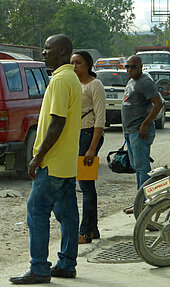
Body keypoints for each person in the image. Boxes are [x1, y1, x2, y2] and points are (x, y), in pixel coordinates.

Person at [9, 34, 82, 284]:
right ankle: (67, 264)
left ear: (61, 51)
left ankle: (39, 268)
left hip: (52, 163)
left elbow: (57, 122)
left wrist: (37, 157)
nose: (43, 52)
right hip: (66, 162)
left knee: (36, 211)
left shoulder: (61, 80)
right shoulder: (71, 78)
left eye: (47, 49)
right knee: (68, 214)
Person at [70, 51, 106, 244]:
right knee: (85, 185)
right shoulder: (75, 84)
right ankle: (92, 230)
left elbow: (100, 119)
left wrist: (92, 148)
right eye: (72, 63)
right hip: (76, 136)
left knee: (85, 186)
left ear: (88, 65)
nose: (75, 67)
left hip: (89, 136)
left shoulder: (95, 85)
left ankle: (85, 232)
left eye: (79, 63)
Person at [122, 56, 163, 214]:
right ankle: (140, 201)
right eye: (127, 67)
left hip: (139, 131)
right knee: (137, 168)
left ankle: (145, 203)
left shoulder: (145, 82)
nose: (129, 70)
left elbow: (158, 104)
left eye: (133, 67)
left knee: (142, 168)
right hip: (130, 131)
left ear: (141, 67)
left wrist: (145, 124)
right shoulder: (132, 81)